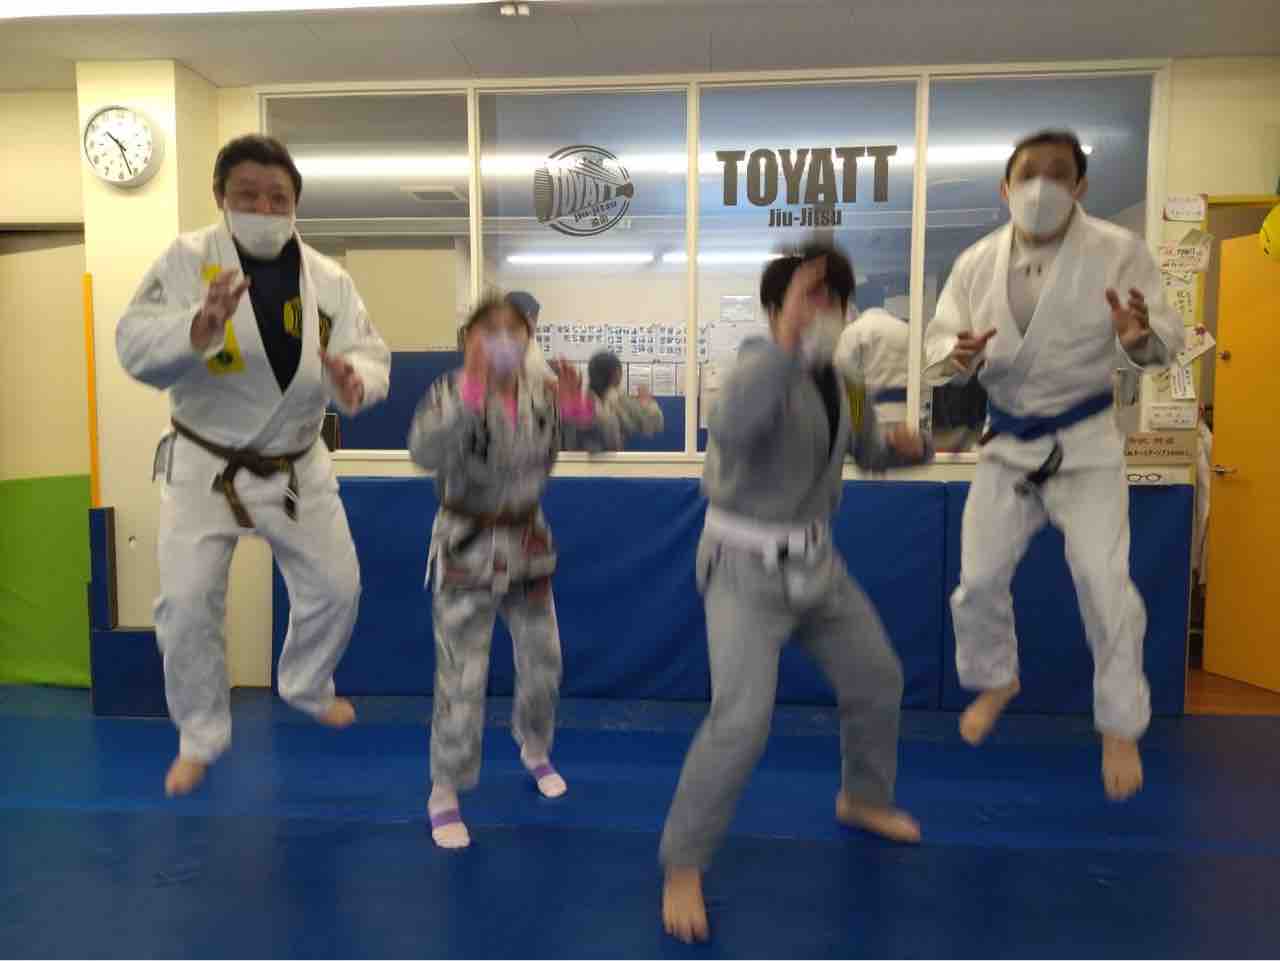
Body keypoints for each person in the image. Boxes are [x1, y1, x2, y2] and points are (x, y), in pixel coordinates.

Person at [660, 243, 931, 943]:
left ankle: (862, 797)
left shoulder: (846, 382)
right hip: (743, 568)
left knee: (877, 677)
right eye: (809, 295)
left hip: (816, 563)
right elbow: (733, 428)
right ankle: (683, 862)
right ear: (776, 307)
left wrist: (911, 447)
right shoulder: (753, 368)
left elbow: (867, 453)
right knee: (741, 720)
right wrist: (785, 344)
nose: (824, 310)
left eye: (833, 297)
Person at [117, 134, 390, 797]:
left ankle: (306, 683)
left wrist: (356, 381)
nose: (264, 209)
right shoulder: (186, 262)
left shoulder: (329, 279)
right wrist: (197, 325)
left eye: (278, 198)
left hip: (296, 461)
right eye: (248, 196)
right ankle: (200, 735)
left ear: (295, 203)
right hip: (204, 461)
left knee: (338, 587)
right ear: (220, 197)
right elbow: (134, 344)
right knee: (186, 605)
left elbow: (368, 351)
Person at [922, 129, 1184, 801]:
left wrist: (1139, 339)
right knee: (977, 581)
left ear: (1080, 186)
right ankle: (997, 679)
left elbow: (1164, 340)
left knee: (1105, 585)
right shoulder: (975, 263)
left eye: (1058, 172)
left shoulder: (1119, 251)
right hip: (1007, 443)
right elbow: (938, 346)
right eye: (1028, 173)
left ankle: (1120, 725)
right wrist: (956, 356)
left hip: (1087, 442)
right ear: (1005, 187)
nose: (1042, 185)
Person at [408, 295, 596, 850]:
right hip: (466, 546)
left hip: (527, 543)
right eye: (489, 331)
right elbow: (424, 450)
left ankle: (535, 748)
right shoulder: (448, 392)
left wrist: (579, 408)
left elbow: (602, 438)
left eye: (515, 330)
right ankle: (445, 789)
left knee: (544, 661)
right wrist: (471, 389)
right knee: (462, 675)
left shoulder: (543, 394)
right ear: (467, 340)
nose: (504, 341)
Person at [563, 350, 665, 451]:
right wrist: (647, 404)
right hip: (610, 459)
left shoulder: (581, 400)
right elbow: (653, 424)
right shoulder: (619, 401)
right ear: (617, 374)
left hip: (574, 460)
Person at [834, 304, 910, 429]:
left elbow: (841, 370)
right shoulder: (907, 330)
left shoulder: (854, 330)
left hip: (867, 415)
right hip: (905, 413)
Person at [506, 290, 557, 385]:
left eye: (535, 319)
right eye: (530, 318)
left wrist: (554, 378)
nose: (534, 325)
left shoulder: (531, 343)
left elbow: (543, 374)